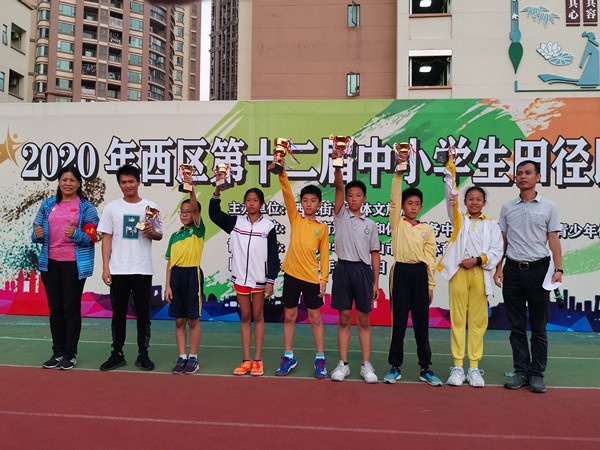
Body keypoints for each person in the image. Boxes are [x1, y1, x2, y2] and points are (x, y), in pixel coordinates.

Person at [495, 160, 563, 394]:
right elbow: (503, 241)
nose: (523, 177)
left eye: (528, 173)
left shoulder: (549, 207)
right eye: (519, 173)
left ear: (538, 177)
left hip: (539, 271)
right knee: (516, 326)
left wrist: (559, 269)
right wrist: (498, 268)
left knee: (538, 327)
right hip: (513, 270)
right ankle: (521, 371)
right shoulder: (507, 207)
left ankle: (537, 374)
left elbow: (553, 239)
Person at [437, 157, 503, 387]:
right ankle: (457, 366)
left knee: (477, 322)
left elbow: (497, 251)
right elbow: (450, 198)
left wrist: (477, 260)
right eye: (470, 199)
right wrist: (450, 172)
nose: (474, 202)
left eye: (478, 199)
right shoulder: (459, 220)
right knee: (457, 320)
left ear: (484, 202)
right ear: (464, 202)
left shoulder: (491, 225)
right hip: (458, 274)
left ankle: (473, 367)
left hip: (479, 274)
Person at [209, 181, 279, 377]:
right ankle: (246, 360)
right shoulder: (236, 223)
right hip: (240, 279)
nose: (251, 203)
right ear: (244, 203)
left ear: (261, 203)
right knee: (246, 316)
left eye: (255, 200)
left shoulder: (268, 226)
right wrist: (217, 191)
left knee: (258, 316)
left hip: (259, 279)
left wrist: (271, 279)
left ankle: (258, 360)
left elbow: (273, 255)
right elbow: (214, 214)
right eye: (248, 200)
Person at [32, 166, 99, 370]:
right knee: (55, 308)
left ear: (79, 184)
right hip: (49, 263)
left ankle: (70, 354)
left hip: (73, 264)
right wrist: (37, 235)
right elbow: (36, 230)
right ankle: (57, 353)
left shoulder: (86, 208)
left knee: (70, 307)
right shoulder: (48, 204)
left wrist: (75, 234)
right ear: (59, 182)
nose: (68, 183)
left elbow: (92, 237)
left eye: (72, 180)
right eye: (64, 179)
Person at [97, 164, 163, 371]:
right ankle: (117, 353)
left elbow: (159, 235)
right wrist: (105, 268)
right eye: (124, 182)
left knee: (143, 314)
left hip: (142, 268)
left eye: (131, 181)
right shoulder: (112, 208)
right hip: (118, 269)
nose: (128, 185)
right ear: (119, 184)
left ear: (138, 182)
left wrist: (151, 231)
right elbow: (106, 238)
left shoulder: (150, 207)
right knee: (118, 314)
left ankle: (143, 354)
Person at [384, 156, 442, 386]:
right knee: (398, 323)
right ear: (403, 205)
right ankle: (394, 366)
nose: (413, 207)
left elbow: (430, 259)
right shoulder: (397, 223)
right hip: (400, 273)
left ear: (421, 207)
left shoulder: (427, 229)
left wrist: (430, 285)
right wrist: (398, 175)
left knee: (421, 324)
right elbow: (393, 200)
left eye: (417, 204)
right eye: (409, 203)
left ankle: (425, 367)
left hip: (420, 275)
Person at [275, 158, 330, 378]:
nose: (308, 204)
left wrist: (323, 280)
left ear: (319, 204)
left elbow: (324, 255)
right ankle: (288, 356)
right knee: (289, 316)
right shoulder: (295, 219)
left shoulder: (322, 228)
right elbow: (287, 194)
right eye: (305, 200)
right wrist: (282, 172)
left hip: (310, 278)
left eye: (313, 201)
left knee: (316, 318)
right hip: (291, 275)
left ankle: (320, 359)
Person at [329, 164, 380, 383]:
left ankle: (366, 365)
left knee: (363, 319)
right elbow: (339, 187)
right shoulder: (340, 215)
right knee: (344, 318)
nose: (353, 199)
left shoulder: (371, 224)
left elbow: (375, 254)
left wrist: (375, 282)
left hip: (362, 272)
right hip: (343, 269)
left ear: (364, 199)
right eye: (350, 195)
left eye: (358, 195)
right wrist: (337, 165)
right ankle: (343, 364)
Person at [165, 173, 205, 375]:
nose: (185, 214)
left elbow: (195, 208)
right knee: (179, 320)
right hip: (176, 277)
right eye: (182, 212)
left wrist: (191, 188)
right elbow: (170, 262)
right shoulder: (174, 236)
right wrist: (167, 285)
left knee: (192, 320)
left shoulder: (198, 230)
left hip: (192, 275)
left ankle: (193, 358)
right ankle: (182, 356)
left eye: (189, 212)